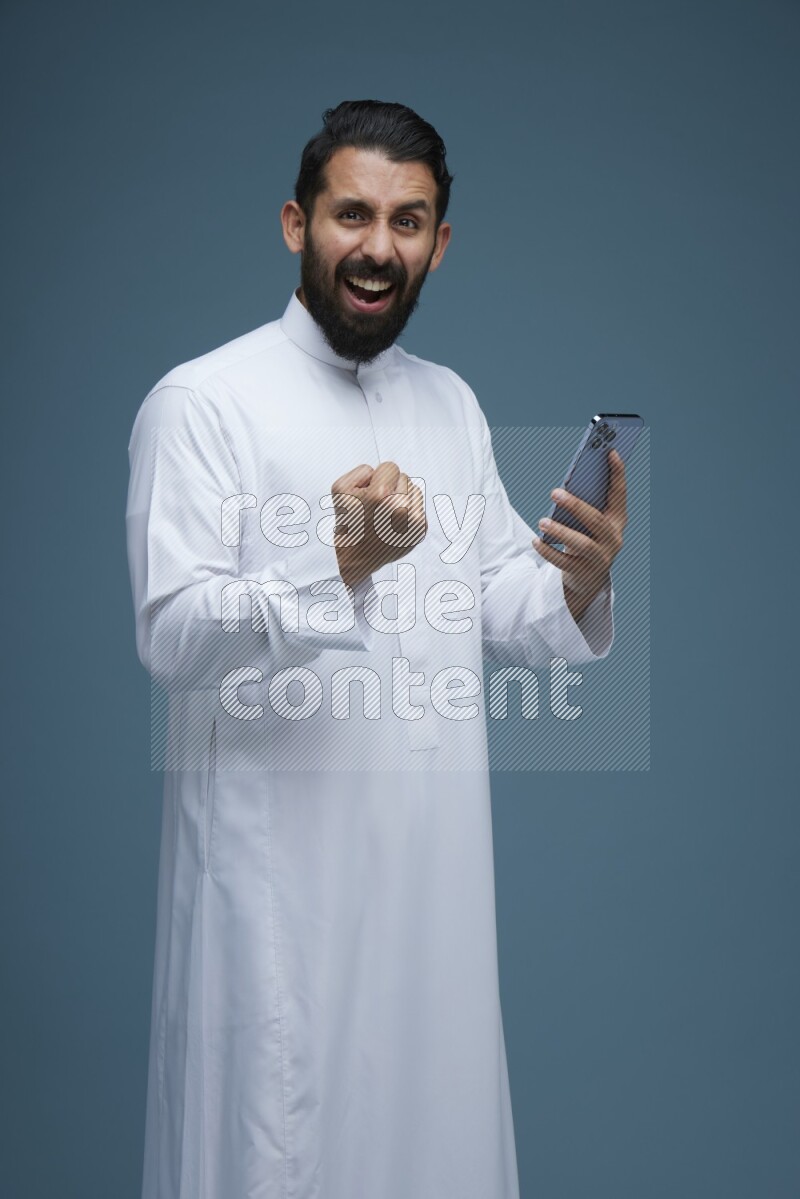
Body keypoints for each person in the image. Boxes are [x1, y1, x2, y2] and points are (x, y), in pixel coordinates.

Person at [126, 99, 627, 1199]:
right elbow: (169, 634)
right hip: (274, 908)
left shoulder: (447, 403)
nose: (376, 246)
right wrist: (338, 564)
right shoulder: (204, 404)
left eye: (407, 222)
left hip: (433, 902)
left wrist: (577, 583)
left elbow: (493, 596)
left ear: (438, 244)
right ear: (295, 224)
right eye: (351, 213)